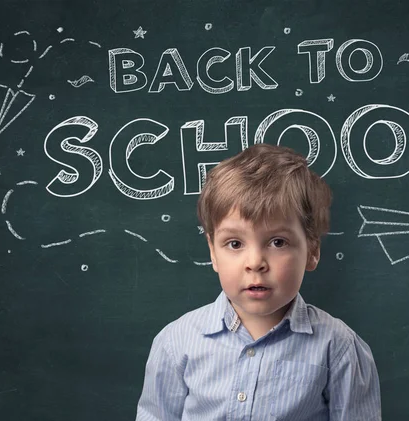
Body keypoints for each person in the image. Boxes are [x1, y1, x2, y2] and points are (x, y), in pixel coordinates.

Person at [136, 143, 381, 420]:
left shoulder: (338, 348)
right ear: (213, 252)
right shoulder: (176, 342)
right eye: (235, 243)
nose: (255, 262)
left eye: (278, 242)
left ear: (312, 251)